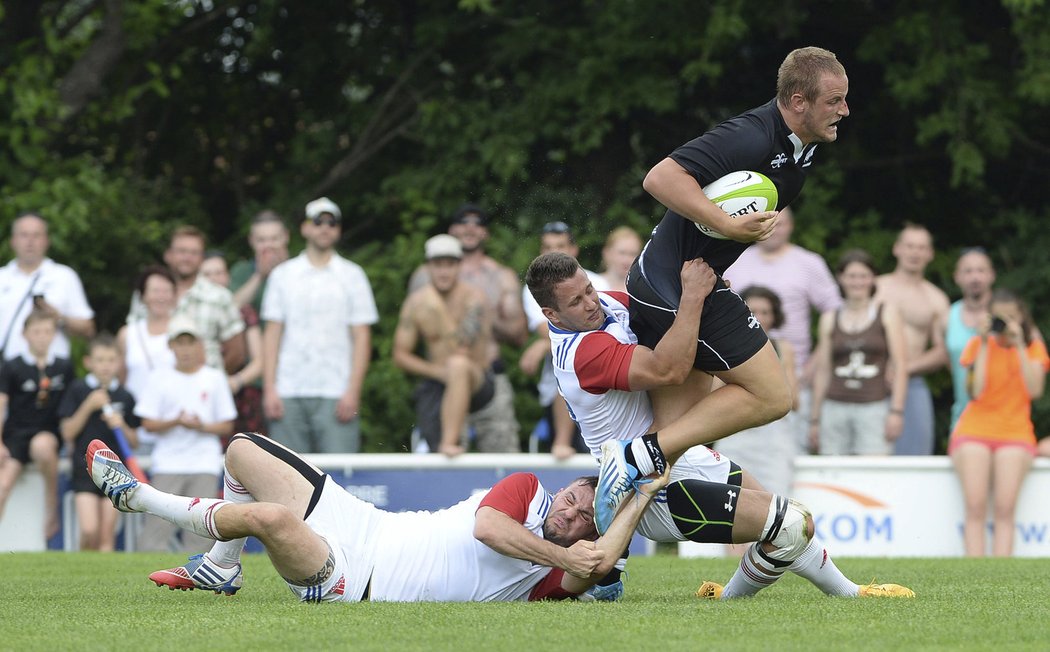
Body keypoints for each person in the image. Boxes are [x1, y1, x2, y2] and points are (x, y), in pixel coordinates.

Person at [525, 252, 913, 600]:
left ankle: (830, 593)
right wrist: (695, 298)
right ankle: (823, 595)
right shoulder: (582, 354)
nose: (592, 302)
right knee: (792, 521)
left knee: (790, 530)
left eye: (589, 289)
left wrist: (712, 296)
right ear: (551, 315)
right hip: (651, 488)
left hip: (680, 450)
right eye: (576, 301)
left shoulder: (606, 303)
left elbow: (659, 309)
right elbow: (670, 369)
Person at [615, 47, 850, 490]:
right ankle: (641, 453)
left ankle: (607, 548)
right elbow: (660, 178)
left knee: (667, 452)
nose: (844, 110)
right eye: (834, 101)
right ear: (798, 101)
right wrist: (724, 224)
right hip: (672, 286)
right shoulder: (752, 136)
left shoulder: (803, 146)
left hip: (693, 281)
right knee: (773, 395)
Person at [85, 431, 665, 602]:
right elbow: (488, 527)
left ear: (595, 530)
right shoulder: (529, 488)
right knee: (240, 450)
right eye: (573, 498)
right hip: (361, 520)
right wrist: (568, 549)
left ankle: (136, 496)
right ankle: (221, 566)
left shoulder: (552, 581)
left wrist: (640, 496)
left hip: (355, 581)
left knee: (272, 520)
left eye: (584, 516)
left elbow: (600, 562)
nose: (569, 511)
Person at [261, 197, 378, 454]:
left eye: (331, 222)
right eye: (318, 221)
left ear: (338, 230)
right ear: (305, 228)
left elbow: (361, 336)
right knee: (284, 479)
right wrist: (270, 389)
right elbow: (272, 335)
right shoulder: (283, 275)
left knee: (338, 479)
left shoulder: (353, 275)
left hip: (336, 391)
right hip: (288, 390)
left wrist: (353, 391)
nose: (325, 227)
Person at [409, 203, 526, 453]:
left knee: (503, 460)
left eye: (478, 223)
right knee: (446, 458)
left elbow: (519, 335)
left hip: (489, 376)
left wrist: (483, 314)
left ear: (486, 233)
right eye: (463, 222)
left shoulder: (500, 277)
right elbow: (415, 329)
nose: (470, 228)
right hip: (443, 379)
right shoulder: (423, 277)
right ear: (452, 229)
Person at [723, 207, 842, 451]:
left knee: (789, 451)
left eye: (782, 223)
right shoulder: (734, 260)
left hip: (795, 372)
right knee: (739, 451)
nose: (775, 228)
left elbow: (834, 311)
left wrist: (816, 361)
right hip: (740, 372)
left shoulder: (809, 263)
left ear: (792, 227)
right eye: (768, 221)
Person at [949, 288, 1048, 557]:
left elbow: (1034, 390)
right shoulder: (977, 345)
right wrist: (982, 342)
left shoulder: (1033, 348)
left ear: (1021, 318)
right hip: (974, 429)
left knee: (1005, 508)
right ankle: (974, 568)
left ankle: (1002, 567)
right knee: (976, 505)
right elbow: (976, 391)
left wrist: (1018, 345)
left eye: (1011, 317)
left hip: (1015, 432)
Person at [133, 316, 236, 552]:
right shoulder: (159, 378)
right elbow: (147, 423)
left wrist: (199, 426)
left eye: (190, 343)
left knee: (200, 531)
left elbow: (227, 424)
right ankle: (148, 578)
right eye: (180, 343)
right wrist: (176, 421)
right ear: (171, 346)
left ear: (199, 345)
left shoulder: (214, 378)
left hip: (203, 462)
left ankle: (198, 579)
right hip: (168, 462)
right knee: (156, 529)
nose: (186, 349)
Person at [393, 235, 497, 457]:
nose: (443, 272)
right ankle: (441, 450)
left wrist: (439, 312)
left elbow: (461, 350)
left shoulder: (473, 298)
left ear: (459, 266)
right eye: (437, 265)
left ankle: (448, 443)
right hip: (439, 379)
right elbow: (400, 355)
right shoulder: (416, 303)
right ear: (428, 268)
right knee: (449, 372)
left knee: (458, 364)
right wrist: (438, 373)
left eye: (449, 265)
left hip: (477, 379)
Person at [519, 221, 607, 459]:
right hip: (564, 386)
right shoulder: (534, 290)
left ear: (574, 249)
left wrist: (543, 345)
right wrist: (544, 341)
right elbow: (549, 329)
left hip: (604, 374)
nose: (554, 252)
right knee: (567, 373)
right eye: (548, 247)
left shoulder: (598, 282)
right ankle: (562, 442)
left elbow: (608, 328)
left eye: (560, 246)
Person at [809, 249, 908, 455]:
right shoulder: (830, 318)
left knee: (873, 471)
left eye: (863, 276)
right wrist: (815, 419)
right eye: (852, 276)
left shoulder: (886, 312)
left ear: (873, 278)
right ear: (841, 279)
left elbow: (900, 365)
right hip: (834, 406)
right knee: (832, 471)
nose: (857, 282)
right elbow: (823, 370)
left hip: (874, 405)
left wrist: (896, 411)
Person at [57, 333, 140, 551]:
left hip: (115, 472)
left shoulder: (125, 396)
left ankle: (104, 581)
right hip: (84, 469)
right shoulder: (77, 389)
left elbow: (133, 443)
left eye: (111, 360)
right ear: (88, 362)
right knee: (89, 530)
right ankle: (81, 574)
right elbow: (67, 432)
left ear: (119, 362)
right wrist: (89, 405)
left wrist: (120, 423)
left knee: (107, 533)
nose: (105, 366)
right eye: (100, 360)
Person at [875, 224, 951, 455]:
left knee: (915, 456)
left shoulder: (936, 298)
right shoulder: (875, 287)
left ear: (930, 254)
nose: (914, 253)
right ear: (897, 249)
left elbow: (943, 351)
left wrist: (905, 369)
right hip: (869, 381)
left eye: (921, 247)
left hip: (913, 383)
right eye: (909, 246)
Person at [128, 225, 246, 374]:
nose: (187, 257)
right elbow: (132, 339)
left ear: (202, 258)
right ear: (168, 255)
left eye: (194, 253)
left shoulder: (220, 297)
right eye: (182, 251)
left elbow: (236, 353)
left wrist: (210, 378)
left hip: (203, 391)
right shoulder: (147, 294)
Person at [714, 286, 797, 497]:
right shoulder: (722, 346)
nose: (758, 317)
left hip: (773, 437)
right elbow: (713, 393)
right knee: (728, 497)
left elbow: (793, 398)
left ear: (775, 316)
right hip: (734, 431)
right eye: (752, 311)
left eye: (765, 312)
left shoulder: (783, 347)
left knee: (776, 498)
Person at [0, 310, 73, 539]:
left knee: (43, 445)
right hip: (16, 435)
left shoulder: (63, 366)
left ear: (54, 335)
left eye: (47, 332)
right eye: (36, 332)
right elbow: (1, 405)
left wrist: (72, 445)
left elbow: (70, 408)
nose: (42, 337)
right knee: (2, 486)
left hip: (47, 433)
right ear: (25, 334)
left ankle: (51, 508)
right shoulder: (12, 367)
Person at [0, 213, 95, 362]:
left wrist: (59, 318)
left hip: (53, 374)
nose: (30, 241)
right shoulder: (2, 277)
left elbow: (88, 328)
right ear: (13, 241)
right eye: (24, 235)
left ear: (46, 241)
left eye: (36, 235)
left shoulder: (64, 276)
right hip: (6, 374)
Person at [201, 251, 264, 439]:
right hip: (203, 395)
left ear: (227, 277)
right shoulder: (190, 310)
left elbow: (260, 361)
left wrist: (236, 381)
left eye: (218, 273)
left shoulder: (243, 311)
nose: (213, 279)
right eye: (207, 274)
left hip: (240, 396)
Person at [117, 265, 178, 455]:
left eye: (166, 291)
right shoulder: (127, 334)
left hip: (176, 429)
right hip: (137, 430)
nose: (161, 297)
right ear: (143, 296)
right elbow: (121, 381)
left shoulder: (185, 332)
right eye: (155, 291)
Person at [945, 247, 996, 430]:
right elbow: (945, 359)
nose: (975, 277)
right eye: (968, 271)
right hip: (963, 417)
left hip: (1004, 416)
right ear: (957, 277)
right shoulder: (947, 316)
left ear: (992, 275)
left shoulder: (1009, 314)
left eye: (981, 270)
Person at [229, 209, 290, 313]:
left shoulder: (302, 268)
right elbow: (231, 308)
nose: (268, 245)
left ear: (286, 237)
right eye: (261, 240)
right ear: (251, 241)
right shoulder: (241, 271)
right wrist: (259, 275)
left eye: (274, 239)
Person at [597, 226, 642, 293]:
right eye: (622, 253)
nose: (627, 260)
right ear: (607, 253)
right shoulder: (593, 284)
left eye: (632, 254)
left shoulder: (642, 290)